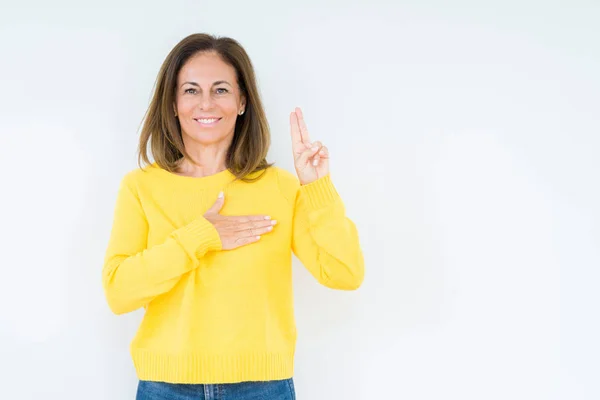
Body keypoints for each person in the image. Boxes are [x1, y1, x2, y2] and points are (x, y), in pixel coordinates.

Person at [102, 33, 365, 400]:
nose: (206, 103)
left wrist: (317, 188)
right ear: (173, 103)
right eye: (191, 90)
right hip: (166, 389)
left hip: (263, 388)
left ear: (242, 101)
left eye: (221, 89)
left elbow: (345, 273)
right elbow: (118, 292)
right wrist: (199, 237)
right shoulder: (140, 188)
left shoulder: (280, 187)